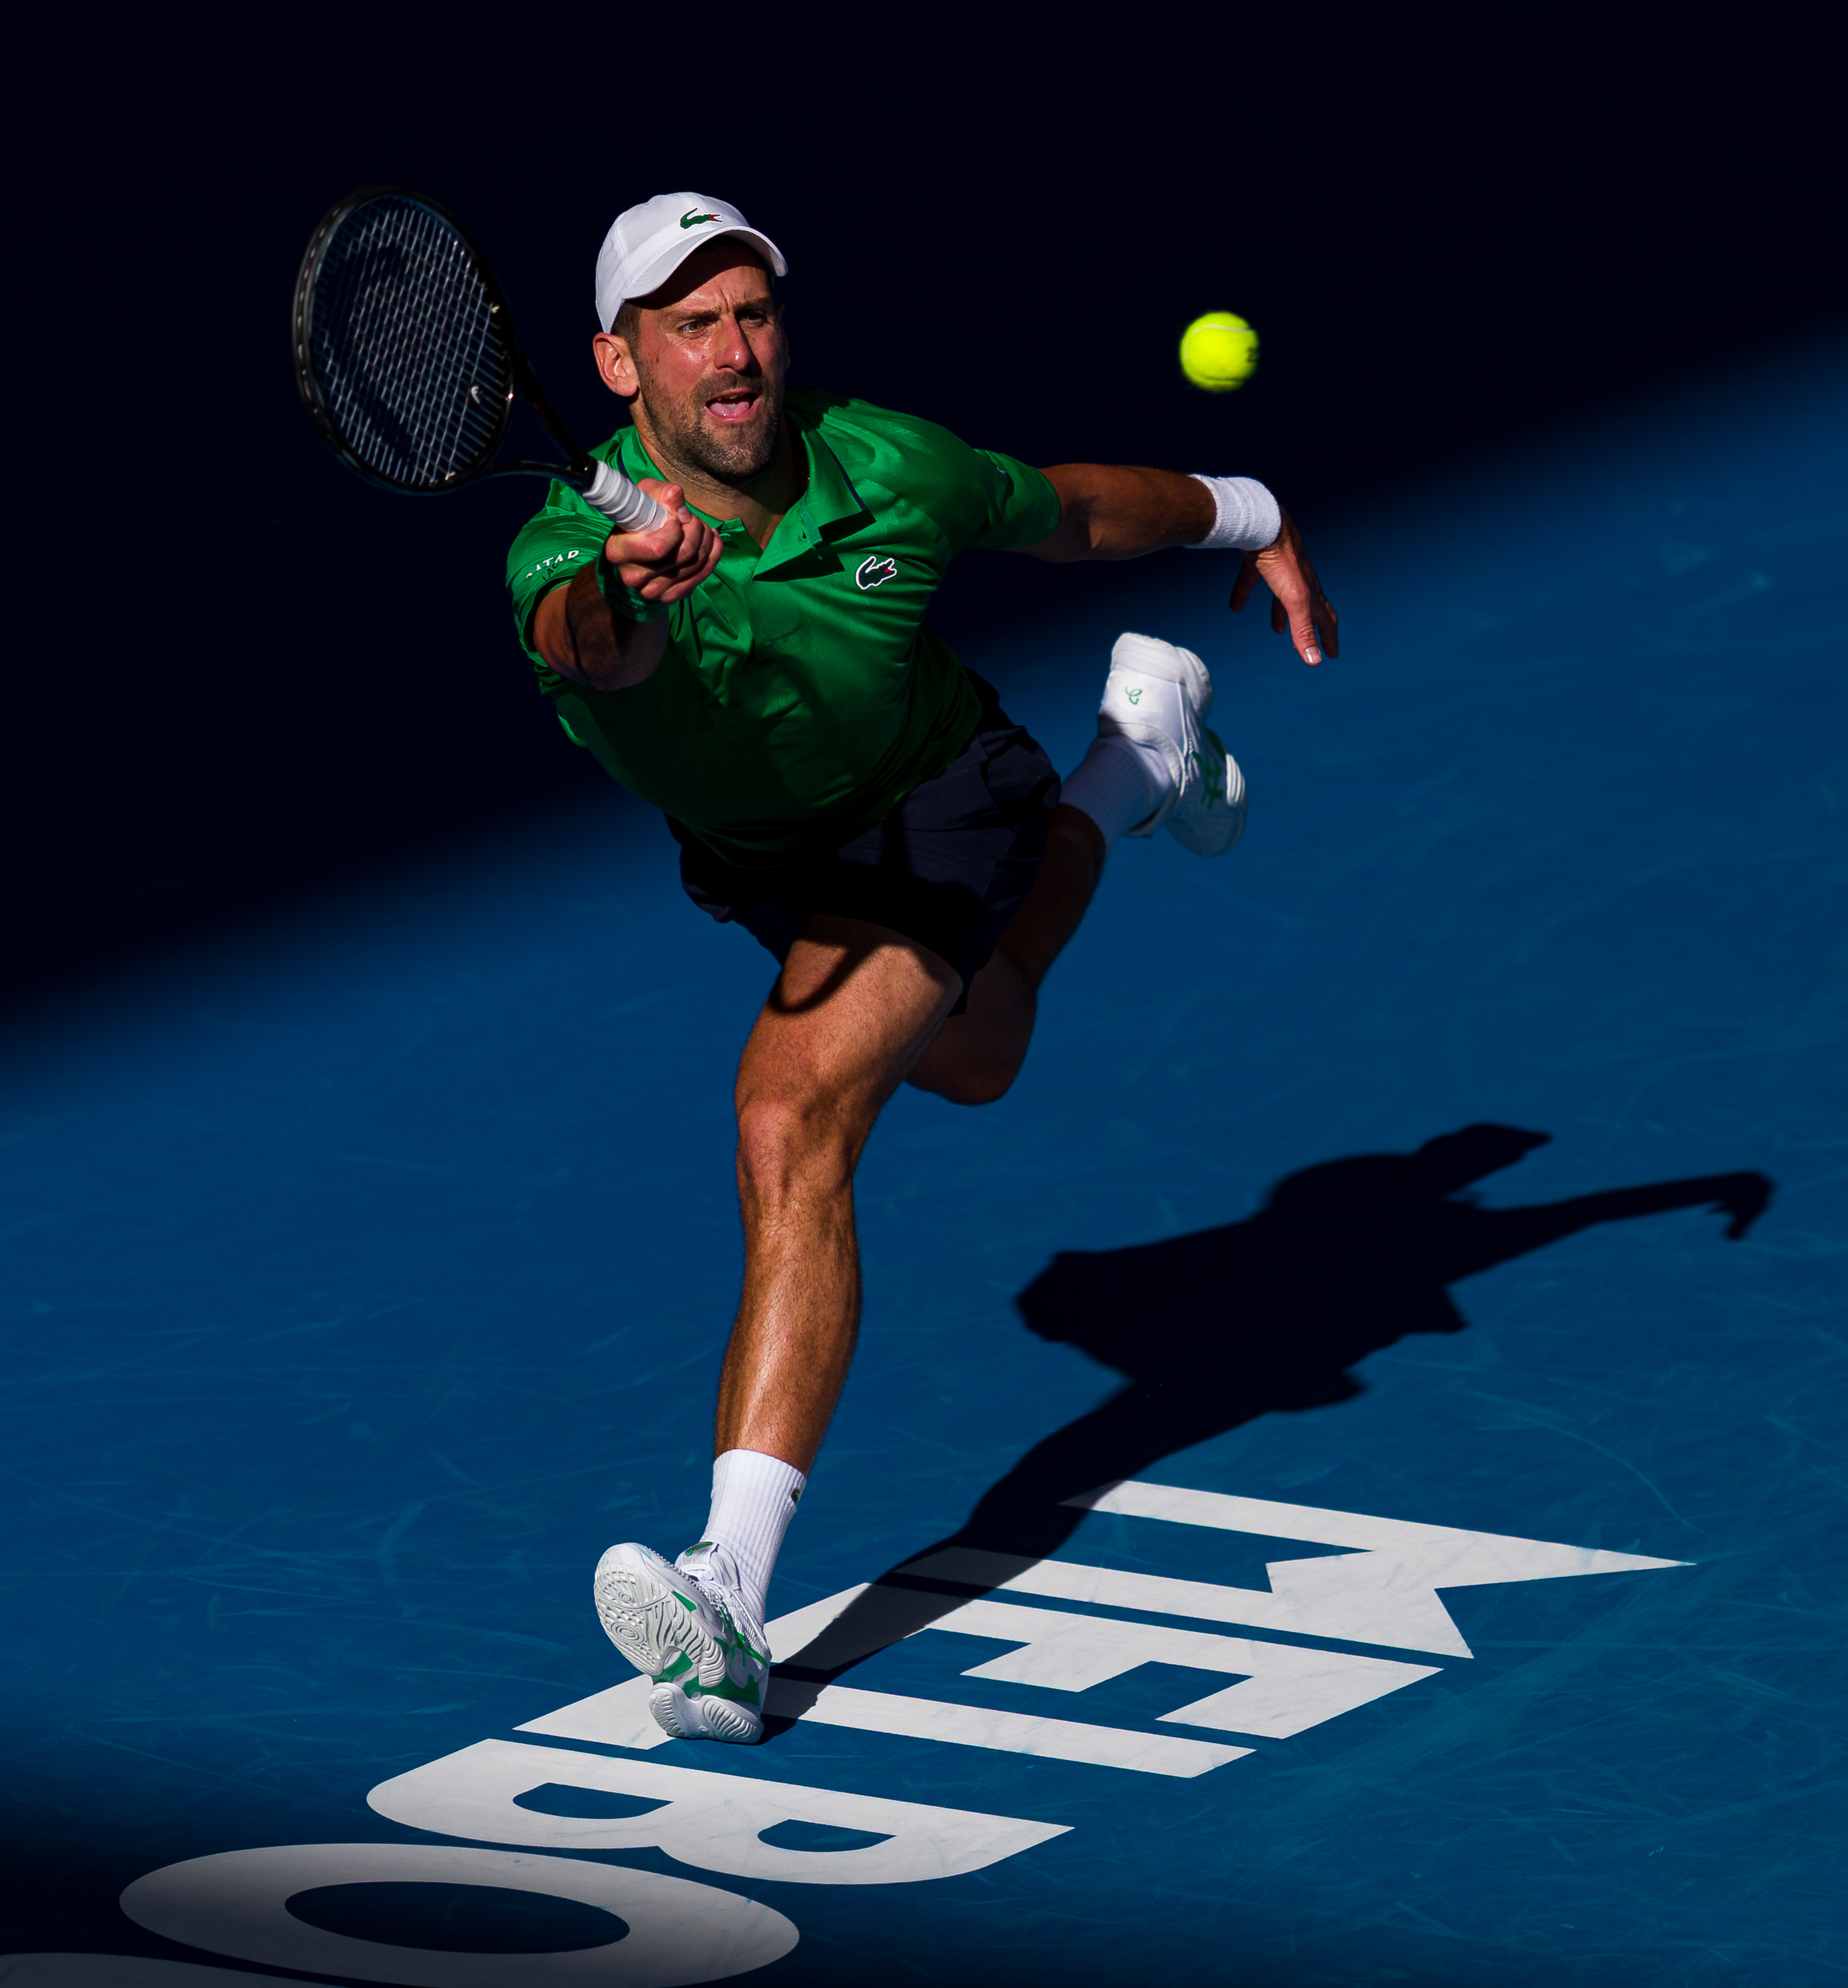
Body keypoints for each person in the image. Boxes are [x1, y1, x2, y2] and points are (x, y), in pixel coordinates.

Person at [503, 194, 1340, 1744]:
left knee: (791, 1115)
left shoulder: (884, 462)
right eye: (692, 327)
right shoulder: (568, 544)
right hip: (775, 863)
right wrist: (634, 583)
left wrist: (1250, 505)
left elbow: (1072, 508)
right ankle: (1135, 753)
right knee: (984, 1047)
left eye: (752, 312)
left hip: (937, 796)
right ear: (620, 367)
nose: (734, 350)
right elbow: (583, 639)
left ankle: (728, 1602)